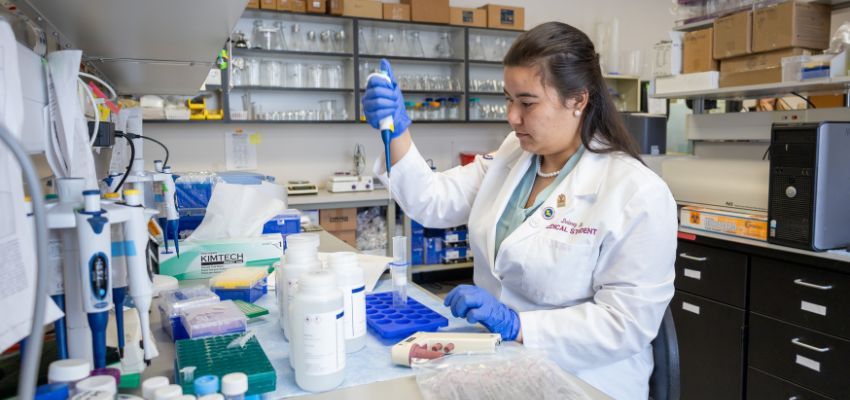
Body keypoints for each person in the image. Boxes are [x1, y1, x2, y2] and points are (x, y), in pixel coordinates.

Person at [362, 22, 677, 400]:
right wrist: (395, 130)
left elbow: (625, 325)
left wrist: (517, 324)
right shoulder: (515, 154)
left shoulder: (636, 193)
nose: (512, 116)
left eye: (527, 103)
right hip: (501, 364)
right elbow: (433, 201)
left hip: (588, 382)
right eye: (508, 99)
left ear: (578, 99)